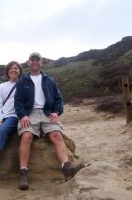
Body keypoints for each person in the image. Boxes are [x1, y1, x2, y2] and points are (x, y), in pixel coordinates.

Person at [14, 52, 83, 190]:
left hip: (47, 113)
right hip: (30, 113)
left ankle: (66, 168)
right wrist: (23, 116)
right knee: (26, 136)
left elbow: (58, 99)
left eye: (37, 59)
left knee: (56, 135)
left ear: (41, 62)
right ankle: (23, 173)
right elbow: (18, 101)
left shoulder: (49, 80)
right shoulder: (23, 80)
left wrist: (56, 112)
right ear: (28, 62)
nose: (35, 62)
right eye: (32, 59)